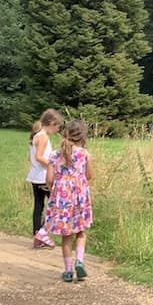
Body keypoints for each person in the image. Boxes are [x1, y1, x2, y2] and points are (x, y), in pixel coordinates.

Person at [44, 119, 93, 282]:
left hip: (63, 199)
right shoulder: (84, 154)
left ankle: (68, 271)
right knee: (81, 231)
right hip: (79, 197)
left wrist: (55, 191)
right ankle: (79, 261)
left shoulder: (54, 155)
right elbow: (89, 176)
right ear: (82, 136)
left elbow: (49, 179)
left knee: (66, 235)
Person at [27, 109, 63, 249]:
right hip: (43, 177)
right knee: (56, 205)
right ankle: (42, 233)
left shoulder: (36, 135)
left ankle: (38, 235)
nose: (58, 129)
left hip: (35, 176)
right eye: (58, 126)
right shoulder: (43, 137)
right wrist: (55, 165)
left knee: (39, 206)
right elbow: (39, 157)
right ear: (52, 123)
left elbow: (30, 158)